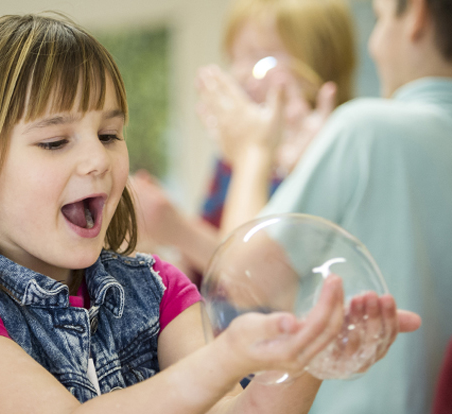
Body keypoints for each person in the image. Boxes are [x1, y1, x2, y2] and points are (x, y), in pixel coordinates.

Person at [0, 14, 419, 414]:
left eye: (109, 134)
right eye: (55, 141)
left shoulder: (156, 288)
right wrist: (229, 355)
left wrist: (307, 357)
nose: (97, 160)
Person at [210, 0, 452, 414]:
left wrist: (252, 153)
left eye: (381, 20)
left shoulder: (366, 131)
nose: (374, 43)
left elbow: (237, 281)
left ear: (416, 16)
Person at [131, 0, 356, 276]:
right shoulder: (230, 159)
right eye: (234, 58)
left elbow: (262, 281)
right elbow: (209, 271)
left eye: (259, 57)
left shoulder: (335, 153)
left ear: (318, 65)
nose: (239, 73)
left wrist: (176, 228)